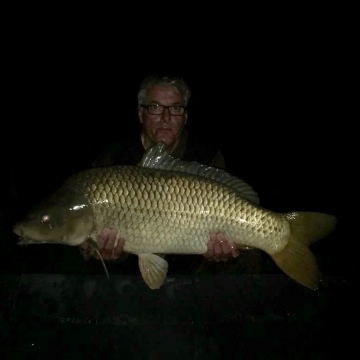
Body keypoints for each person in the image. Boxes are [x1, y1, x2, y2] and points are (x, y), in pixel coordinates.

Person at [80, 74, 261, 275]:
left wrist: (222, 254)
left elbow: (237, 212)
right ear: (141, 113)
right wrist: (102, 251)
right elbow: (88, 243)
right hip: (130, 272)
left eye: (175, 108)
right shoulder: (114, 158)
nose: (165, 117)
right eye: (155, 107)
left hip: (194, 270)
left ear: (185, 116)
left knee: (245, 258)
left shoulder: (206, 155)